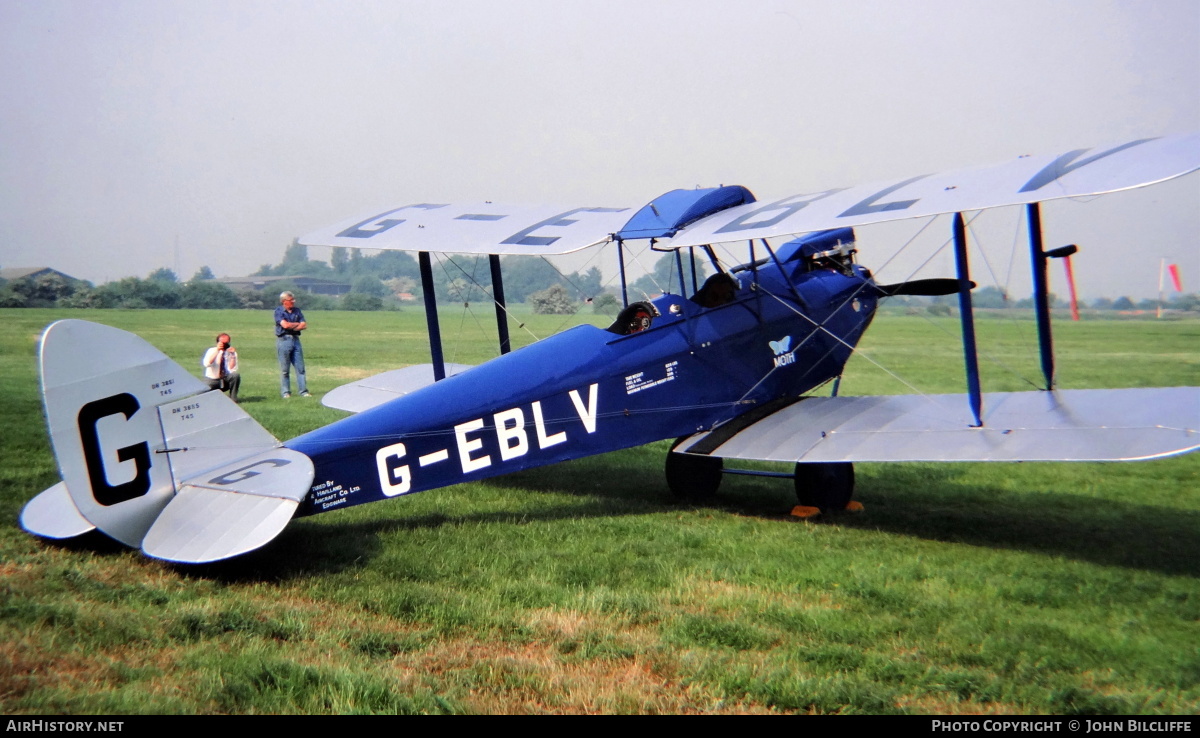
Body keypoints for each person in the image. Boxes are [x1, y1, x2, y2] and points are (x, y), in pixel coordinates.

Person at [274, 291, 311, 398]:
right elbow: (285, 325)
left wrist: (293, 325)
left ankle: (303, 391)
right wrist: (297, 324)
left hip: (295, 339)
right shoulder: (279, 311)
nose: (293, 302)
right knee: (285, 369)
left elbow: (304, 325)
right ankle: (286, 392)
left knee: (300, 368)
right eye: (291, 300)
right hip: (284, 340)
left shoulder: (297, 311)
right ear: (284, 301)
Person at [201, 332, 241, 402]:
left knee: (235, 375)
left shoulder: (231, 352)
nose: (225, 345)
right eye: (223, 343)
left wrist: (232, 356)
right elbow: (207, 364)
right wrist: (217, 351)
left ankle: (233, 398)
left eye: (227, 343)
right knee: (201, 395)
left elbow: (232, 369)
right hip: (212, 380)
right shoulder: (211, 351)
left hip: (225, 380)